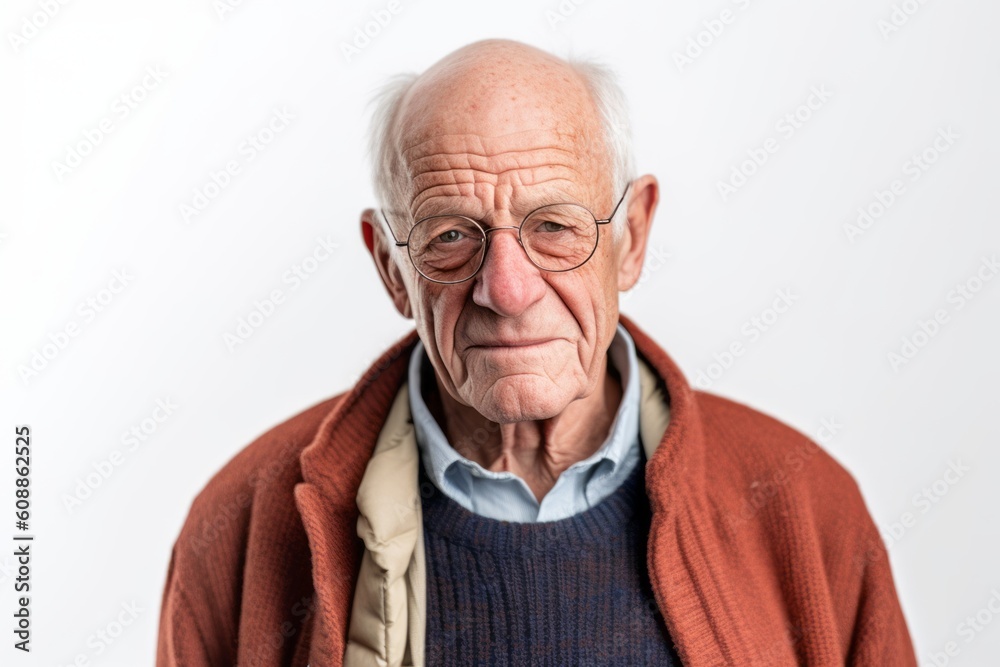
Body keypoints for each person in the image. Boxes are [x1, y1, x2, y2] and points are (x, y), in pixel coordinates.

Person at [156, 39, 917, 666]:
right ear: (391, 266)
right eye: (451, 235)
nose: (509, 290)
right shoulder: (243, 524)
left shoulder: (803, 505)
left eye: (554, 226)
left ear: (632, 238)